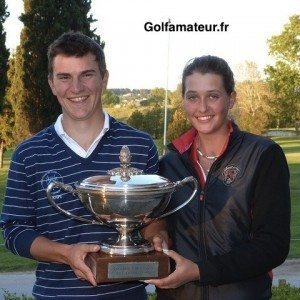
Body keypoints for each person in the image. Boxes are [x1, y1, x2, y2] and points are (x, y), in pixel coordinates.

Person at [0, 31, 159, 299]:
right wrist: (66, 254)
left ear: (104, 78)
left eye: (87, 74)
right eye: (65, 77)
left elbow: (157, 217)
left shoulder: (141, 145)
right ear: (52, 83)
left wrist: (158, 236)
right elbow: (15, 231)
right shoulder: (28, 153)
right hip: (56, 294)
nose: (76, 88)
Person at [145, 55, 291, 299]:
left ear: (231, 99)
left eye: (213, 96)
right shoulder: (170, 164)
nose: (202, 107)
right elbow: (158, 225)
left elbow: (273, 246)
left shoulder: (263, 155)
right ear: (184, 101)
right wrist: (156, 236)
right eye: (193, 97)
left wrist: (200, 271)